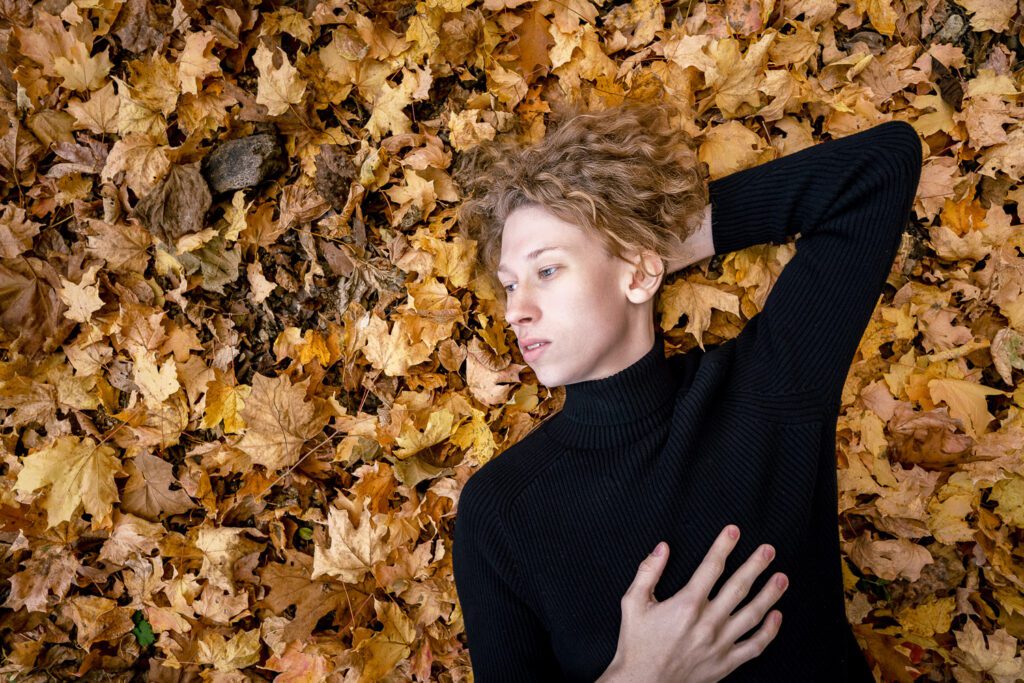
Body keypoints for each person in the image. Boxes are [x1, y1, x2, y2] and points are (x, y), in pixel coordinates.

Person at [451, 100, 922, 682]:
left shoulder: (767, 388)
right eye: (509, 284)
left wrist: (645, 239)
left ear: (641, 273)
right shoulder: (500, 511)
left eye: (546, 270)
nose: (516, 310)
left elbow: (880, 166)